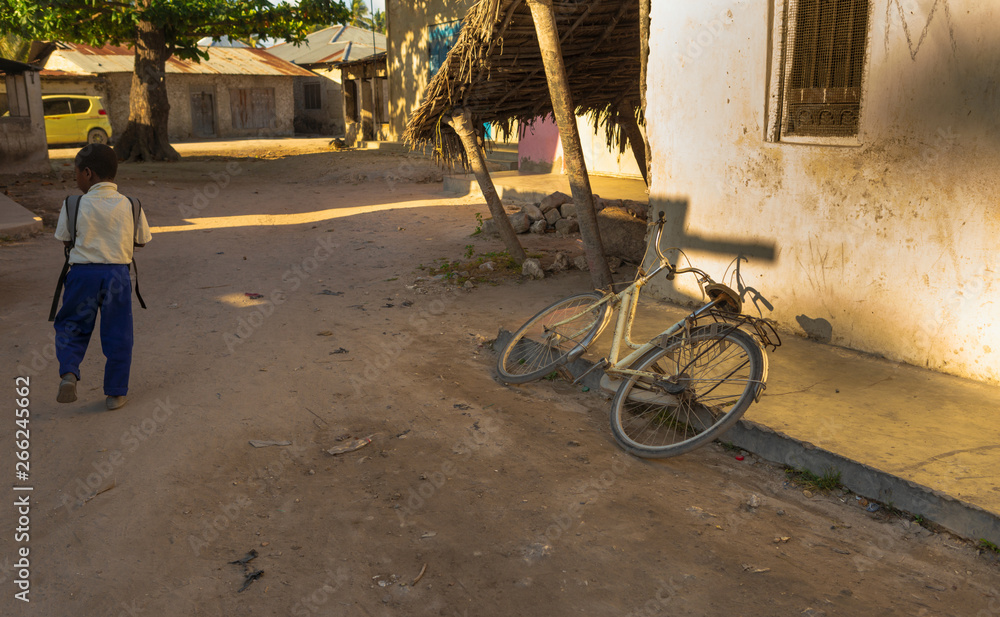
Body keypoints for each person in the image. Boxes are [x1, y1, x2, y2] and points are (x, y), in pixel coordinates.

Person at [53, 143, 151, 410]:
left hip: (82, 276)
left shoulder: (73, 204)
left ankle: (69, 373)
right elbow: (141, 241)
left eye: (76, 173)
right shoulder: (131, 204)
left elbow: (65, 238)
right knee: (118, 333)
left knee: (72, 325)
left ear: (87, 173)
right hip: (117, 276)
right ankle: (116, 393)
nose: (75, 179)